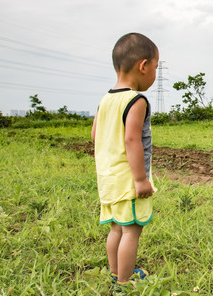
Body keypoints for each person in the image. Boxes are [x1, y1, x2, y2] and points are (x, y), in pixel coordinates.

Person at [91, 32, 159, 295]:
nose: (154, 72)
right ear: (143, 66)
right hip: (127, 180)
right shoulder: (136, 100)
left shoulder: (105, 99)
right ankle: (124, 284)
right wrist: (141, 180)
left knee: (116, 229)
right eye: (155, 66)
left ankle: (115, 274)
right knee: (132, 231)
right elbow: (132, 140)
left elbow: (95, 135)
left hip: (107, 179)